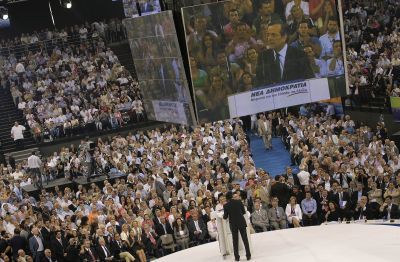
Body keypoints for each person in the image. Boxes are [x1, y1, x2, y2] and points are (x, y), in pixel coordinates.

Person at [256, 22, 313, 86]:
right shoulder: (263, 56)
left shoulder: (299, 55)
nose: (269, 38)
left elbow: (309, 80)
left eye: (273, 35)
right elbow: (259, 83)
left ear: (284, 37)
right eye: (268, 35)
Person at [223, 191, 251, 261]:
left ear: (227, 198)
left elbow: (225, 217)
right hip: (241, 222)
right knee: (245, 239)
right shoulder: (239, 202)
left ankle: (237, 257)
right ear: (232, 196)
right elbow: (244, 212)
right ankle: (248, 255)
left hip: (233, 224)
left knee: (235, 241)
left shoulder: (226, 205)